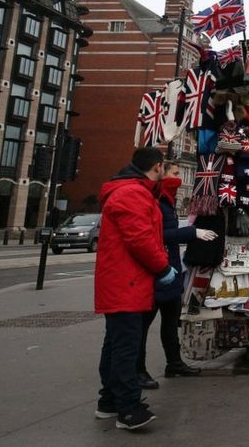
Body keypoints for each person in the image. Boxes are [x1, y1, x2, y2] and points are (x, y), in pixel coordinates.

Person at [94, 147, 176, 430]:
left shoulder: (133, 190)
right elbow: (140, 239)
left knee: (116, 345)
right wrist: (163, 268)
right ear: (157, 166)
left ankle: (108, 402)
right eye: (165, 167)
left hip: (123, 282)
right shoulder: (133, 194)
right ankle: (128, 410)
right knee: (126, 348)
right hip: (126, 283)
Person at [136, 161, 217, 390]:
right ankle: (138, 370)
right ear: (162, 174)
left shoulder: (168, 201)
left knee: (171, 323)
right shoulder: (156, 201)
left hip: (170, 270)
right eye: (175, 173)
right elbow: (159, 235)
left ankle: (174, 362)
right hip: (156, 273)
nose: (179, 177)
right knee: (142, 327)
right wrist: (193, 232)